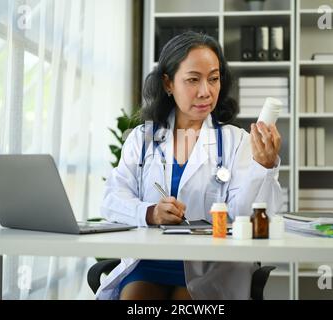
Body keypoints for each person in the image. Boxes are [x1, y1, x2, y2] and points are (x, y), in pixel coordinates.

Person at [98, 31, 283, 300]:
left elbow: (246, 217)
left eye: (214, 79)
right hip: (150, 261)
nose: (206, 91)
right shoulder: (142, 138)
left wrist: (263, 168)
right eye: (193, 80)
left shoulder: (236, 141)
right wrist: (150, 212)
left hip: (211, 265)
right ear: (168, 83)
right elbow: (112, 199)